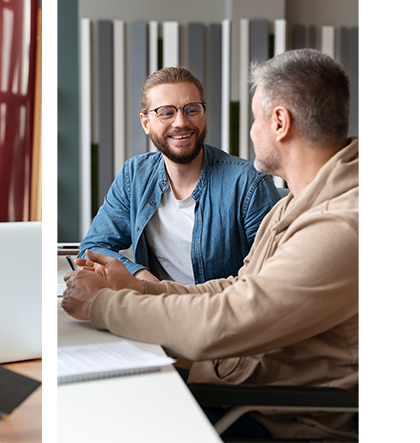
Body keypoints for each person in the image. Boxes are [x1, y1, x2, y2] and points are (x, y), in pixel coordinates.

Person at [63, 49, 358, 440]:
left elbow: (225, 321)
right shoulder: (296, 202)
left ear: (280, 123)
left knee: (106, 421)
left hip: (281, 414)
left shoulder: (339, 225)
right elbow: (240, 286)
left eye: (255, 119)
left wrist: (100, 304)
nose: (252, 132)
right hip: (242, 380)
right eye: (165, 112)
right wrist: (142, 286)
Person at [78, 66, 280, 285]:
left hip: (220, 312)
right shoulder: (134, 176)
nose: (181, 122)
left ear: (203, 114)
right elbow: (92, 249)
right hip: (154, 310)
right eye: (166, 112)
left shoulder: (248, 183)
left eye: (192, 110)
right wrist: (139, 275)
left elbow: (272, 277)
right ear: (146, 123)